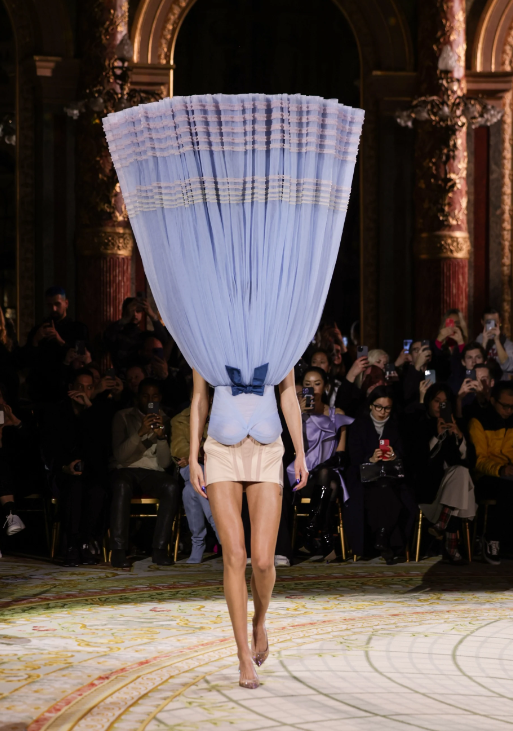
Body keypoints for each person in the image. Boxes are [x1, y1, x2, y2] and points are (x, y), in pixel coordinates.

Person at [104, 91, 363, 690]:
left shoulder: (279, 325)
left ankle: (262, 620)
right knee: (236, 556)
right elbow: (198, 396)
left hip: (268, 450)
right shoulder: (208, 326)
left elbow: (289, 394)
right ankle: (243, 654)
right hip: (221, 450)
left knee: (266, 562)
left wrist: (300, 452)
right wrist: (195, 455)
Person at [109, 378, 179, 568]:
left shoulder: (166, 420)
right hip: (126, 470)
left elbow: (164, 463)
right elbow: (120, 456)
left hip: (152, 472)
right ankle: (118, 550)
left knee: (171, 486)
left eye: (154, 396)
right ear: (138, 397)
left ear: (160, 398)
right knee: (121, 485)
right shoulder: (123, 416)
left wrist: (161, 438)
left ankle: (159, 549)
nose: (150, 400)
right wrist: (140, 433)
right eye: (145, 396)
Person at [42, 369, 109, 566]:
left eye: (89, 388)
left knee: (97, 490)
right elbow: (49, 448)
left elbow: (101, 448)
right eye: (80, 387)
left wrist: (89, 409)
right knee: (74, 487)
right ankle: (71, 544)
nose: (83, 392)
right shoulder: (56, 412)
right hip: (62, 471)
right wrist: (65, 466)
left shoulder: (97, 412)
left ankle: (85, 543)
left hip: (90, 471)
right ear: (71, 388)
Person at [286, 367, 352, 558]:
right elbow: (287, 447)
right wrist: (298, 415)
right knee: (330, 487)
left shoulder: (336, 414)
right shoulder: (295, 414)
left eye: (317, 384)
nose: (312, 389)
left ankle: (310, 532)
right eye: (307, 384)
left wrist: (323, 467)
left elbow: (340, 454)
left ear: (326, 387)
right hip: (302, 475)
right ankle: (325, 538)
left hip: (330, 470)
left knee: (327, 477)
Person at [346, 386, 417, 563]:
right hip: (365, 478)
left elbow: (408, 454)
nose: (382, 412)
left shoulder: (398, 426)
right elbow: (353, 457)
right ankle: (385, 540)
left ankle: (382, 537)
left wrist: (395, 455)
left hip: (392, 477)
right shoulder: (358, 426)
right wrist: (370, 458)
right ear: (371, 405)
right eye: (379, 407)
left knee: (388, 491)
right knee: (383, 492)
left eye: (387, 408)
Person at [408, 383, 476, 564]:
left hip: (453, 487)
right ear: (429, 402)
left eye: (445, 403)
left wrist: (459, 436)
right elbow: (417, 463)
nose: (440, 406)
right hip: (430, 490)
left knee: (462, 471)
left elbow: (471, 462)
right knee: (461, 477)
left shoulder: (457, 424)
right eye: (437, 401)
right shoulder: (419, 424)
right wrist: (436, 437)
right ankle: (451, 545)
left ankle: (442, 524)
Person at [468, 382, 513, 565]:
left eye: (512, 407)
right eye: (505, 406)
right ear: (493, 401)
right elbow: (478, 460)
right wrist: (500, 469)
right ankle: (492, 538)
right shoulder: (479, 421)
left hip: (508, 472)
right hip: (485, 475)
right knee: (505, 487)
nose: (509, 411)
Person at [170, 402, 220, 563]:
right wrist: (196, 457)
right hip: (191, 467)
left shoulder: (221, 414)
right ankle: (223, 537)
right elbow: (178, 450)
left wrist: (194, 455)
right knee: (199, 477)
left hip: (217, 466)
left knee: (190, 491)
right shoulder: (180, 419)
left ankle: (198, 542)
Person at [24, 286, 89, 402]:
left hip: (68, 387)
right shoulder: (38, 330)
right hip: (42, 389)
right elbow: (28, 360)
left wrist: (60, 341)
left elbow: (81, 357)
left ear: (66, 303)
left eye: (57, 304)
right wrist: (35, 340)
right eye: (50, 305)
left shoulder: (79, 329)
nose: (53, 309)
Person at [103, 296, 169, 373]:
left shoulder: (144, 336)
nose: (135, 314)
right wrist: (125, 319)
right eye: (132, 311)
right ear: (124, 313)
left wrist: (151, 314)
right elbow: (107, 337)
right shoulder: (117, 335)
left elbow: (163, 339)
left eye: (138, 311)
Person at [475, 307, 513, 376]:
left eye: (494, 322)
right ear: (482, 322)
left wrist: (497, 340)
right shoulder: (479, 339)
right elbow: (476, 364)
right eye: (488, 322)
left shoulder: (507, 344)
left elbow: (507, 366)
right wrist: (484, 343)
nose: (492, 326)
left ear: (500, 322)